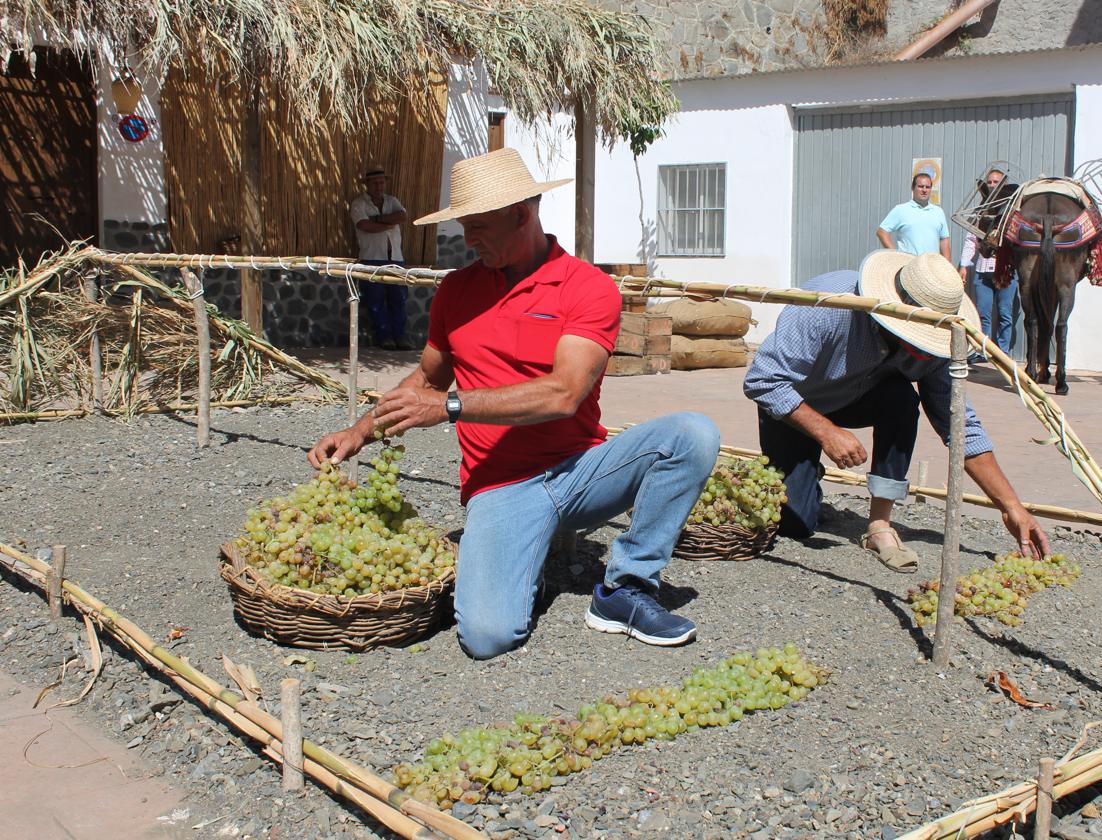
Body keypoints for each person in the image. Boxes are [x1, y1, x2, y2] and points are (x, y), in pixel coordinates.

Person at [310, 148, 720, 659]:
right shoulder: (456, 291)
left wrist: (452, 407)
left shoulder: (586, 288)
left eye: (479, 227)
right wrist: (360, 429)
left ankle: (627, 588)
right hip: (500, 487)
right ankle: (526, 568)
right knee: (488, 638)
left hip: (582, 472)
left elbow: (564, 393)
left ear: (522, 215)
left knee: (692, 434)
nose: (468, 239)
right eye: (464, 227)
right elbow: (425, 380)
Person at [743, 251, 1049, 572]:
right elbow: (763, 380)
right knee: (797, 525)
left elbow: (960, 427)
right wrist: (825, 432)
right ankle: (804, 470)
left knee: (902, 399)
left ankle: (879, 525)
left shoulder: (937, 344)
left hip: (855, 399)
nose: (922, 350)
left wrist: (1010, 507)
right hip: (793, 404)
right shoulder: (827, 308)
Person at [350, 167, 410, 350]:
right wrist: (388, 223)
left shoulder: (392, 201)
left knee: (398, 299)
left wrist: (377, 219)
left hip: (395, 258)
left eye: (382, 182)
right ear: (367, 185)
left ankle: (400, 337)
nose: (379, 186)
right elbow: (364, 225)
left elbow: (402, 216)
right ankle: (384, 338)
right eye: (375, 183)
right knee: (375, 301)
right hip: (372, 257)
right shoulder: (359, 203)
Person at [959, 169, 1018, 358]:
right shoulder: (980, 211)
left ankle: (1002, 353)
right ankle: (982, 350)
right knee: (983, 313)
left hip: (1005, 271)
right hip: (983, 270)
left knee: (1004, 313)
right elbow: (971, 240)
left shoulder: (1012, 213)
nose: (992, 185)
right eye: (990, 182)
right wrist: (964, 265)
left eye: (996, 182)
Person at [877, 172, 952, 261]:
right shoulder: (901, 210)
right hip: (908, 267)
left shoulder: (938, 212)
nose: (924, 190)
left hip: (932, 268)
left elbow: (944, 239)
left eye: (928, 187)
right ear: (913, 188)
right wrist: (896, 255)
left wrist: (947, 264)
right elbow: (881, 232)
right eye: (920, 186)